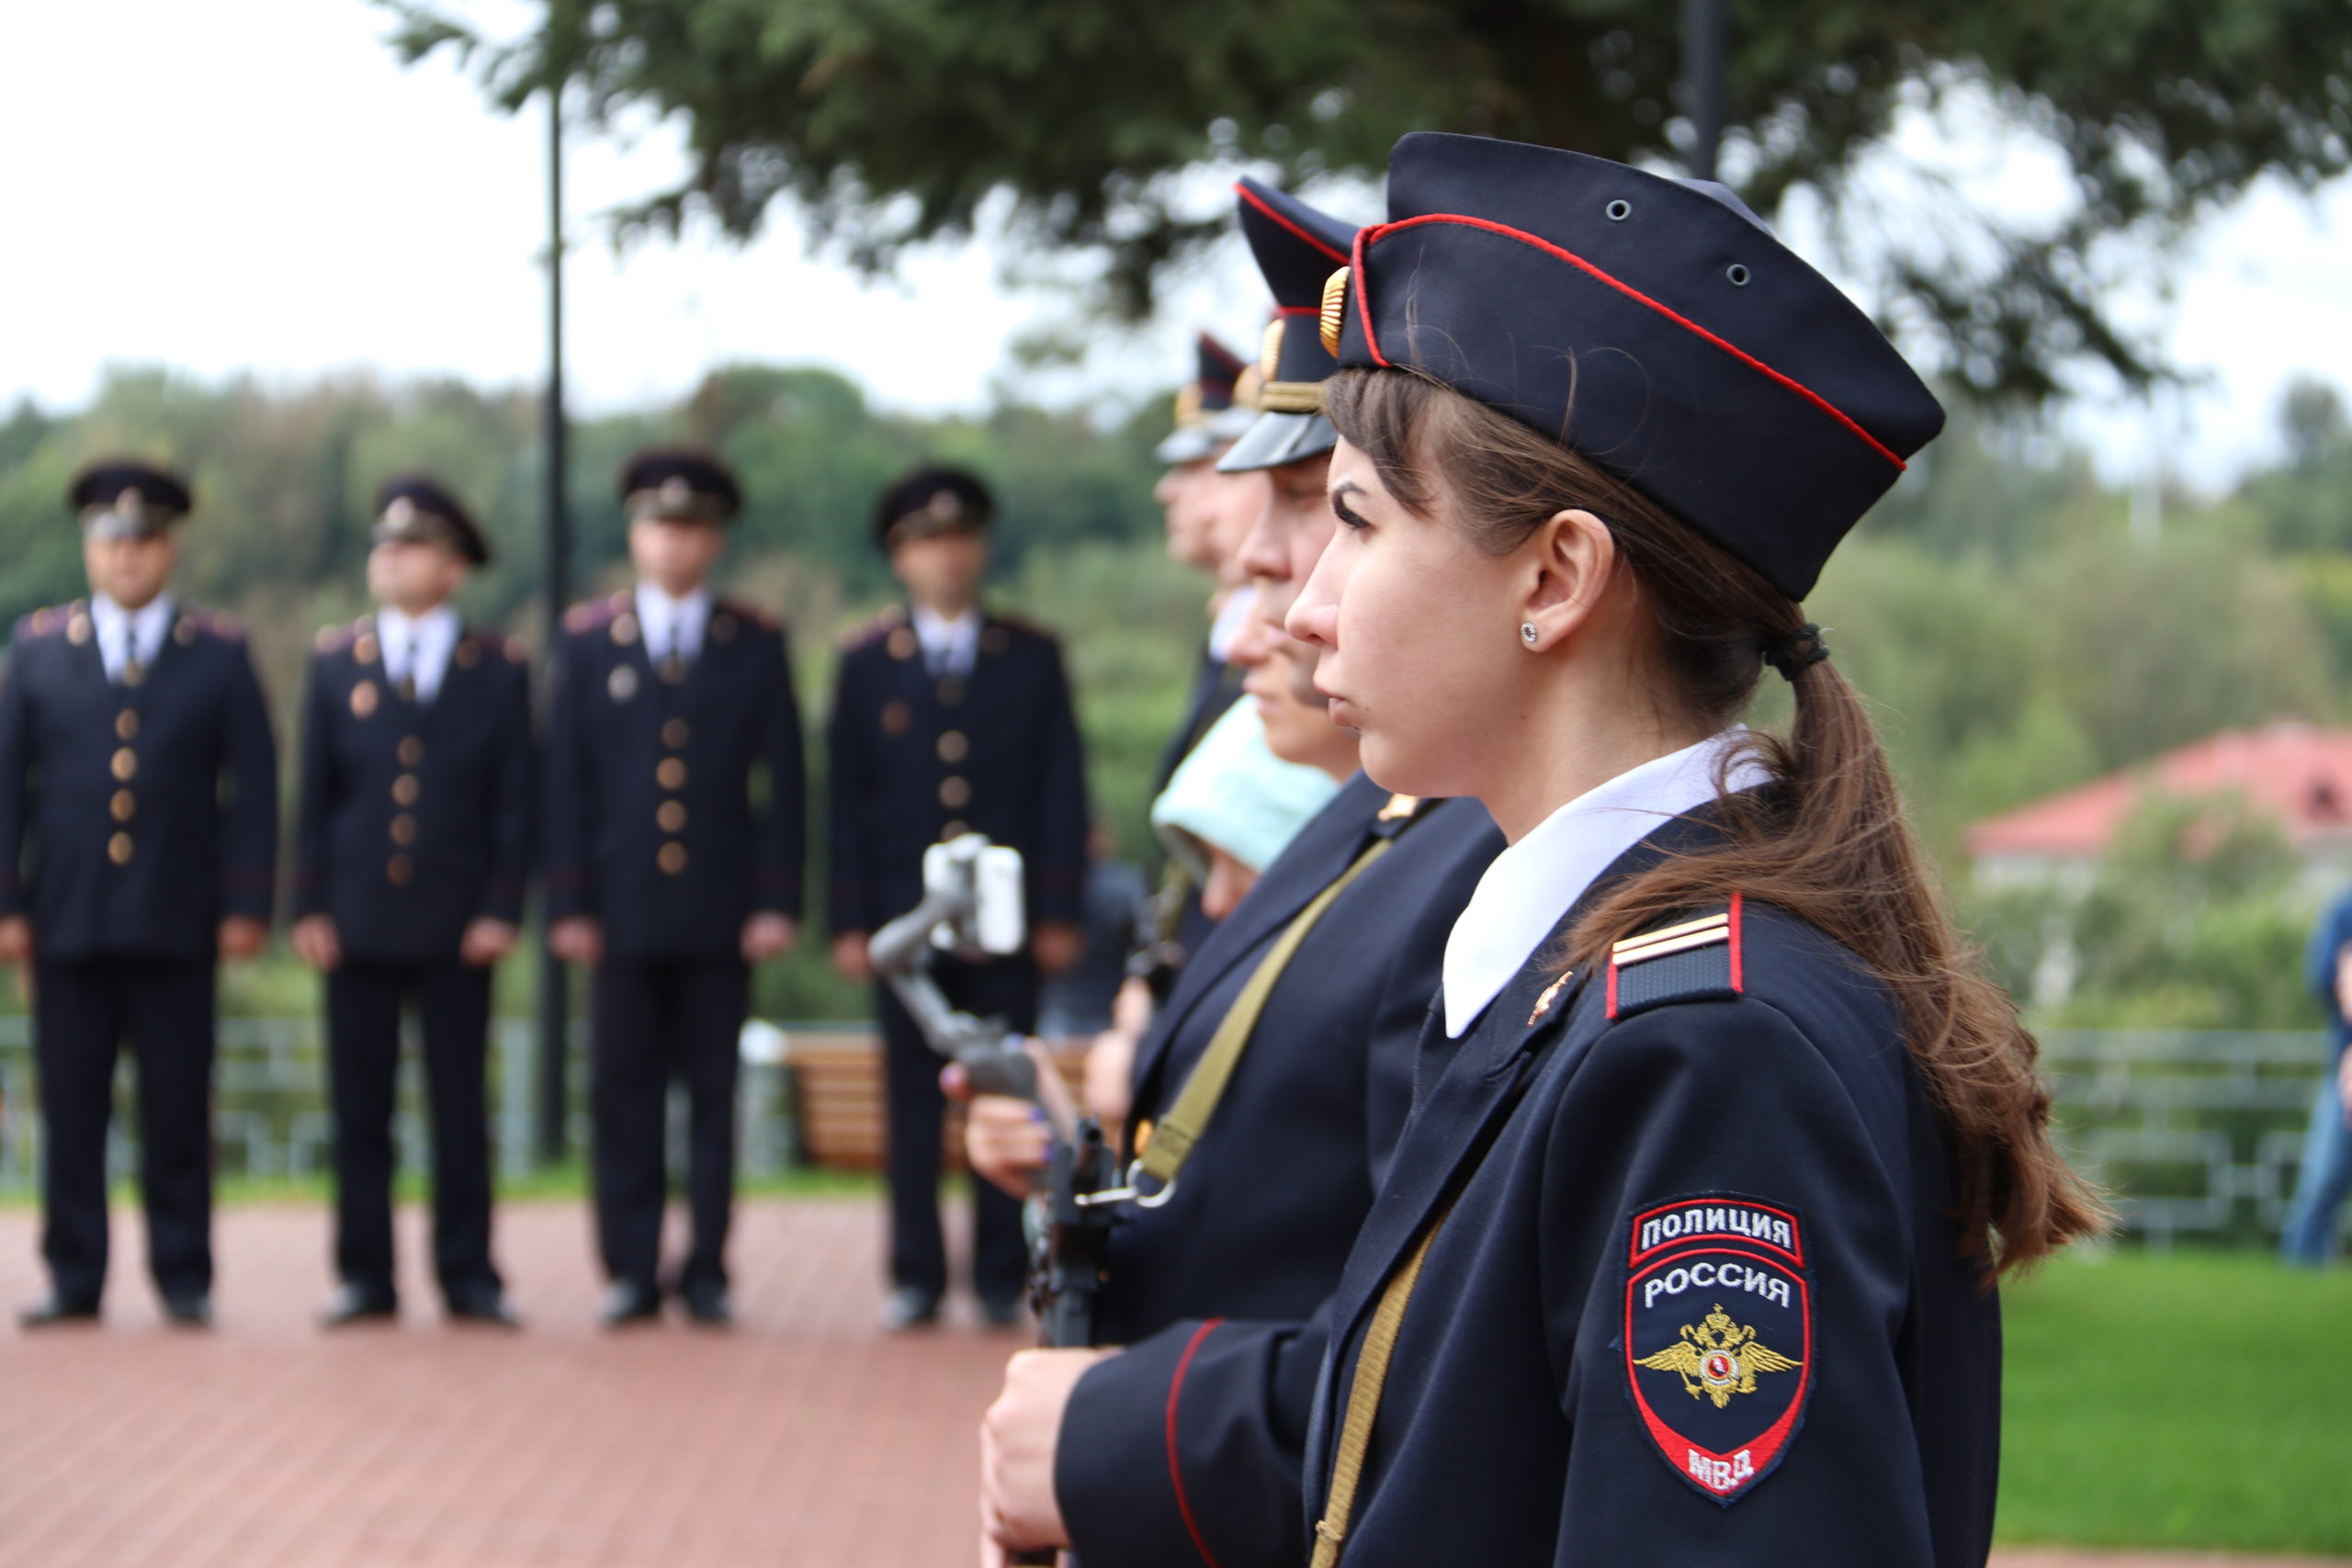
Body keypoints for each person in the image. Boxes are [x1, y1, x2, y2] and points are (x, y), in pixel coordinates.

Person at [1274, 132, 2109, 1567]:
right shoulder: (1611, 983)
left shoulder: (1707, 1050)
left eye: (1355, 521)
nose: (1306, 605)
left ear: (1556, 575)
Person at [968, 179, 1503, 1568]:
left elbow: (1438, 1381)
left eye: (1328, 506)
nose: (1262, 579)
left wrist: (1110, 1437)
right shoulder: (1386, 818)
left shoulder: (1479, 862)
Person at [1, 459, 277, 1328]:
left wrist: (246, 904)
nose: (128, 555)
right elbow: (6, 788)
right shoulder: (37, 650)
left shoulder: (218, 654)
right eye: (112, 539)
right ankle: (74, 1274)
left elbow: (255, 789)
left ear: (170, 548)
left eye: (145, 539)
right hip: (68, 917)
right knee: (72, 1104)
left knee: (177, 1105)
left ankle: (183, 1271)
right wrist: (7, 905)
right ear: (90, 548)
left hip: (177, 917)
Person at [546, 447, 806, 1327]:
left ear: (715, 539)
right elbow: (564, 779)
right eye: (659, 525)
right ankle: (629, 1266)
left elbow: (784, 782)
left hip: (720, 910)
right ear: (635, 535)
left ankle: (706, 1267)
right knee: (623, 1094)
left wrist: (775, 898)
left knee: (712, 1098)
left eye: (691, 527)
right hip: (618, 911)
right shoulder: (589, 641)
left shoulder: (753, 641)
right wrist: (570, 901)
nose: (673, 542)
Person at [827, 466, 1090, 1332]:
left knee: (1007, 1086)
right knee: (910, 1097)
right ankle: (915, 1274)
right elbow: (846, 800)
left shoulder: (1031, 655)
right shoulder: (866, 663)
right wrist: (851, 918)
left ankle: (999, 1273)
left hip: (1007, 923)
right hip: (906, 927)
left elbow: (1061, 787)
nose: (947, 556)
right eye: (926, 541)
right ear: (899, 556)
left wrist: (1059, 909)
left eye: (960, 538)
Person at [292, 475, 531, 1328]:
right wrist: (307, 905)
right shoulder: (335, 662)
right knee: (360, 1107)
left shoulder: (496, 668)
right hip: (356, 921)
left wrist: (502, 904)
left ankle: (467, 1272)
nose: (391, 557)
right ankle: (365, 1274)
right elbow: (313, 797)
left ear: (454, 566)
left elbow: (514, 799)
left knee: (459, 1107)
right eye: (384, 545)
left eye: (414, 545)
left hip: (457, 923)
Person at [2281, 887, 2352, 1263]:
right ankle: (2301, 1270)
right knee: (2323, 1180)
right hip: (2345, 1072)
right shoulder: (2345, 910)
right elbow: (2324, 980)